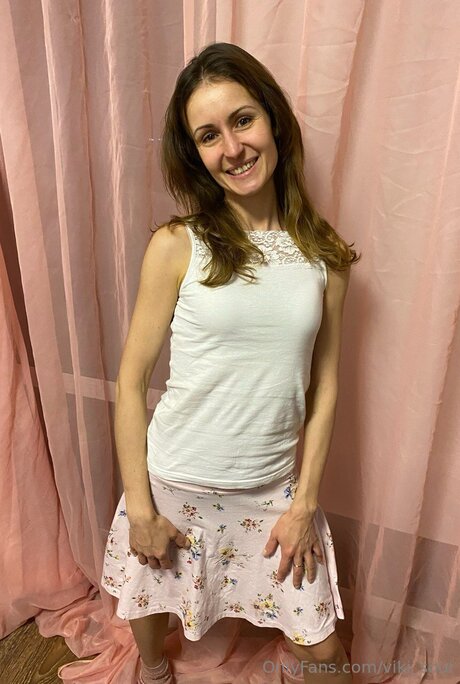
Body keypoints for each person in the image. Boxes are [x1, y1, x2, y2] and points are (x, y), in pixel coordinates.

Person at [101, 42, 360, 684]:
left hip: (272, 492)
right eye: (208, 135)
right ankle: (154, 671)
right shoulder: (176, 245)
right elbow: (131, 383)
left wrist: (304, 504)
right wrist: (140, 507)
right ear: (195, 153)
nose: (233, 148)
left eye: (243, 120)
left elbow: (325, 386)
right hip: (173, 482)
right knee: (148, 606)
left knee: (323, 656)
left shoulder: (325, 256)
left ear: (273, 120)